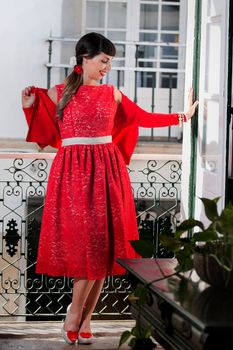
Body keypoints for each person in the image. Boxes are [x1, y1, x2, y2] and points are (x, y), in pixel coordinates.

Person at [21, 32, 198, 345]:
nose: (107, 67)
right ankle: (74, 314)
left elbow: (142, 118)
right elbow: (42, 135)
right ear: (84, 58)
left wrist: (182, 116)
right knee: (87, 245)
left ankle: (84, 320)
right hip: (73, 175)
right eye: (103, 61)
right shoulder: (57, 92)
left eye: (109, 62)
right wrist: (28, 106)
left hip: (107, 172)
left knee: (103, 248)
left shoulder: (112, 94)